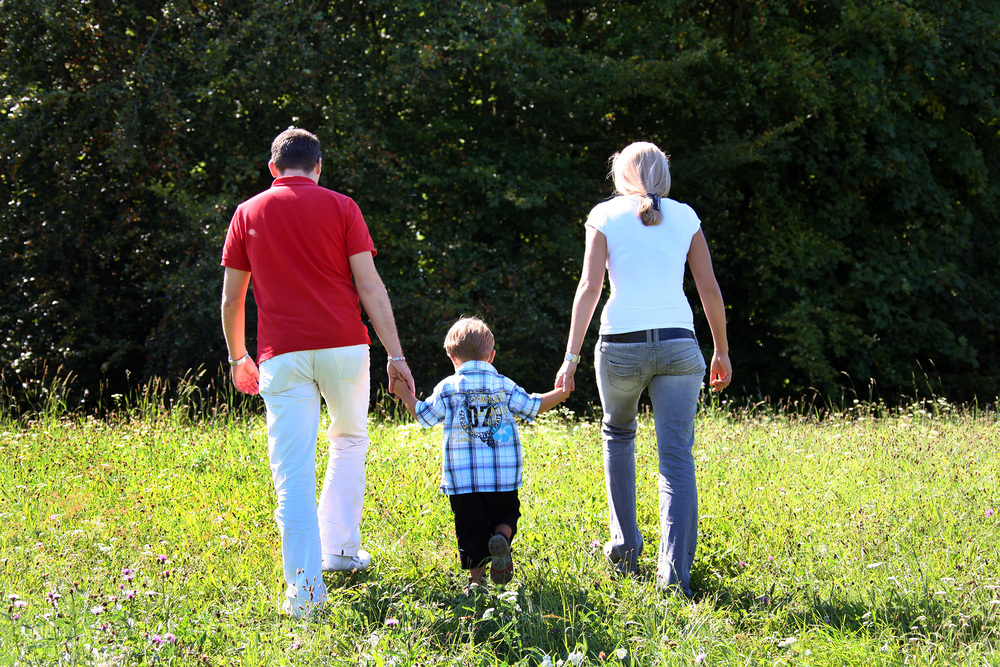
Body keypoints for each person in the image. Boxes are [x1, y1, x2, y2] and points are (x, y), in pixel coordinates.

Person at [220, 127, 415, 619]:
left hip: (281, 354)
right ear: (318, 166)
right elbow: (370, 286)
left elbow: (231, 299)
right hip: (345, 347)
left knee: (293, 474)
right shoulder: (343, 207)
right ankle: (342, 551)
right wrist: (396, 355)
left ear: (273, 168)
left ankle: (305, 596)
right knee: (349, 441)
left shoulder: (247, 212)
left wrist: (239, 358)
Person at [555, 141, 731, 597]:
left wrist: (571, 357)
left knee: (618, 436)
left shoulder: (604, 215)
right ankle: (674, 579)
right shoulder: (686, 216)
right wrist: (721, 350)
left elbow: (589, 287)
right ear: (663, 174)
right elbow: (709, 288)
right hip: (679, 345)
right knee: (676, 457)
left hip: (621, 347)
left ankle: (625, 550)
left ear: (621, 174)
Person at [392, 317, 569, 586]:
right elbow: (533, 405)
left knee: (471, 530)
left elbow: (424, 415)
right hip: (502, 477)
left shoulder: (448, 387)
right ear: (492, 356)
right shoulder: (503, 384)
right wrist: (562, 392)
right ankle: (501, 537)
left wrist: (405, 393)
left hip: (464, 481)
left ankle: (477, 583)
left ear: (451, 357)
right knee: (507, 515)